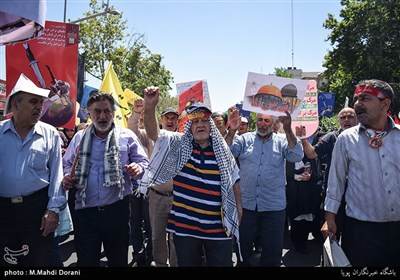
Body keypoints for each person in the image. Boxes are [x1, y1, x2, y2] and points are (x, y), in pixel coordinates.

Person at [140, 86, 242, 267]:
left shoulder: (222, 151)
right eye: (195, 122)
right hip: (186, 229)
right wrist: (150, 106)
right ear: (189, 126)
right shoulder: (179, 146)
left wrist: (238, 210)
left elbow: (234, 180)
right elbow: (154, 133)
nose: (200, 125)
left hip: (218, 229)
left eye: (204, 121)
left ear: (210, 125)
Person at [62, 92, 149, 267]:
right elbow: (66, 164)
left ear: (113, 112)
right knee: (86, 261)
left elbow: (143, 161)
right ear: (89, 113)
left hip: (117, 212)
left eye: (107, 111)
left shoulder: (127, 136)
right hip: (85, 213)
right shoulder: (79, 138)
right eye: (97, 111)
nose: (102, 116)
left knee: (118, 261)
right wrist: (66, 177)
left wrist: (137, 168)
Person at [323, 79, 400, 266]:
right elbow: (336, 182)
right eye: (357, 99)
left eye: (365, 98)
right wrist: (329, 217)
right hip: (361, 234)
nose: (358, 104)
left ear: (385, 103)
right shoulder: (346, 139)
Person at [0, 73, 66, 267]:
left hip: (37, 212)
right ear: (15, 105)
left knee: (39, 263)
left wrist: (53, 210)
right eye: (33, 101)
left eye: (41, 102)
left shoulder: (50, 134)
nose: (39, 106)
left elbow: (57, 176)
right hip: (3, 213)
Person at [226, 109, 304, 267]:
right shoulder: (244, 139)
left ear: (274, 123)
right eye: (260, 120)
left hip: (273, 207)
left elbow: (297, 156)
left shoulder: (282, 140)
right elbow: (225, 152)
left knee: (272, 252)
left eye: (267, 121)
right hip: (246, 206)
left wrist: (288, 129)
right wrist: (232, 130)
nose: (262, 124)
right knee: (243, 248)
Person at [128, 98, 179, 267]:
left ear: (178, 121)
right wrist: (136, 111)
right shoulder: (150, 137)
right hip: (156, 197)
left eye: (174, 118)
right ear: (161, 120)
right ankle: (160, 264)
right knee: (157, 236)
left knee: (175, 237)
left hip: (178, 198)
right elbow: (132, 130)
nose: (170, 121)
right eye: (167, 118)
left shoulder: (183, 140)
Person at [295, 107, 358, 241]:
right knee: (332, 232)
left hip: (357, 195)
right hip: (334, 195)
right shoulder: (331, 138)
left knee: (353, 234)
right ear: (339, 121)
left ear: (357, 118)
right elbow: (311, 153)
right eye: (343, 117)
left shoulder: (364, 138)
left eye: (350, 116)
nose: (346, 120)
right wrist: (304, 139)